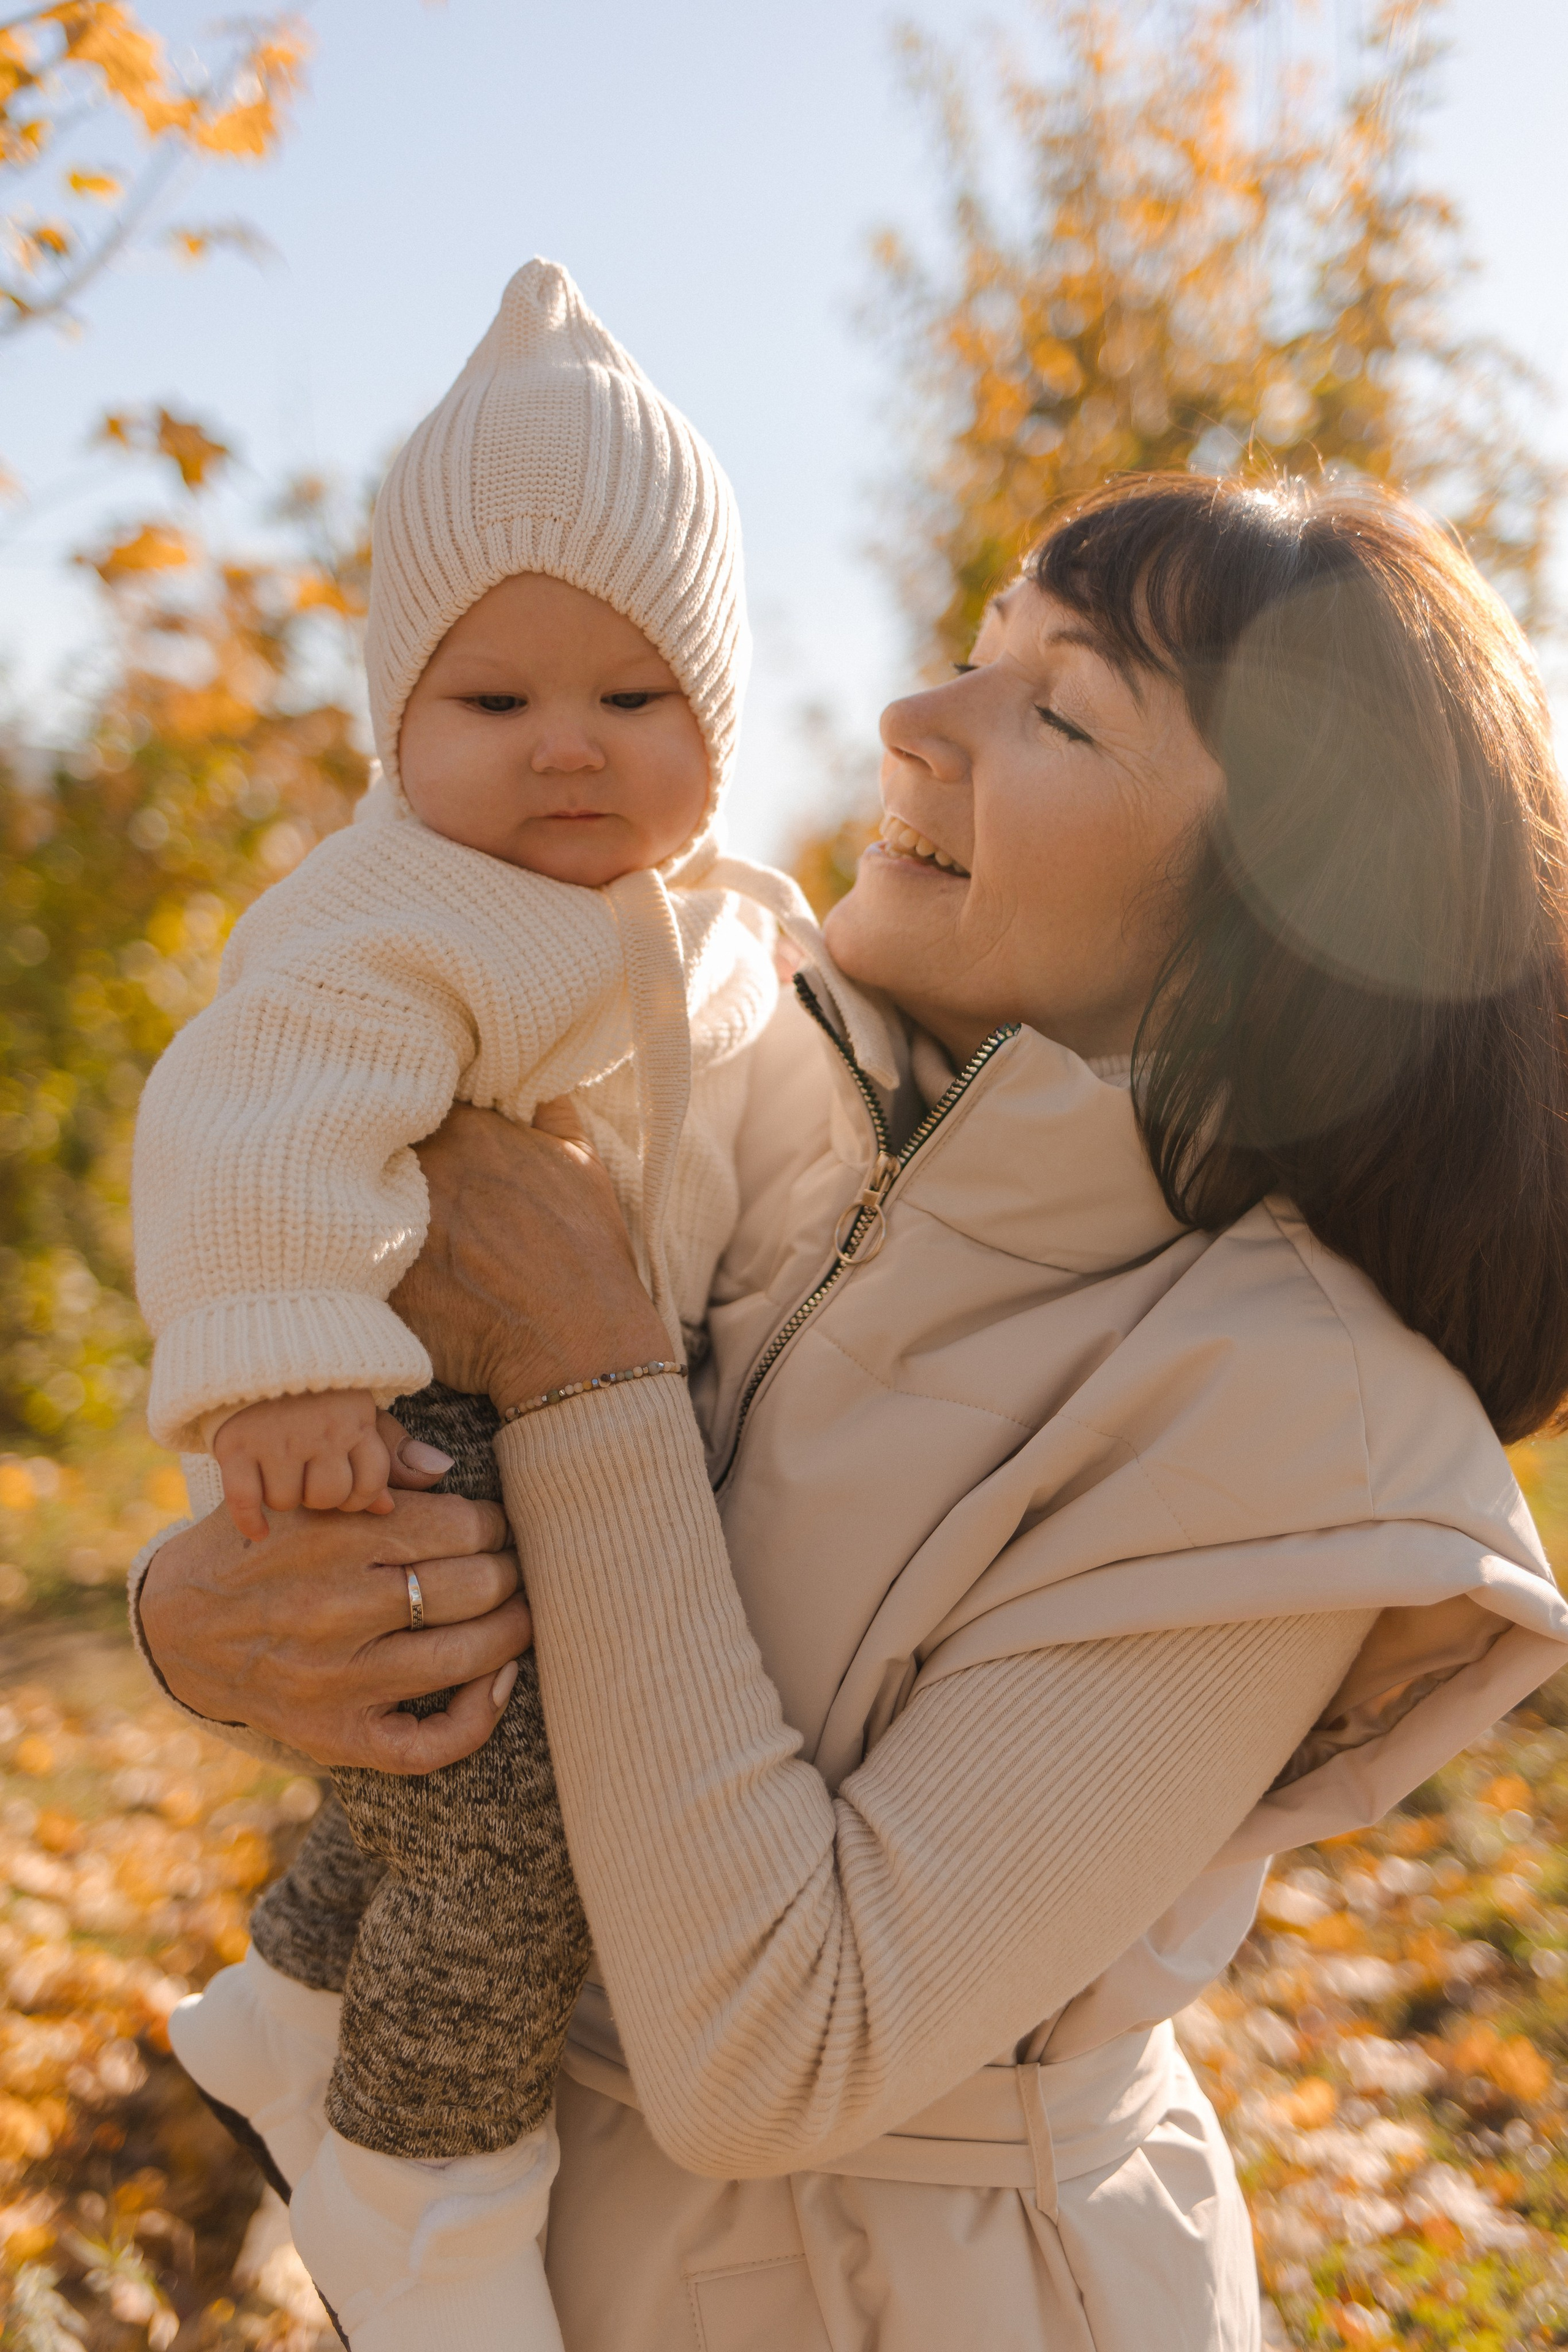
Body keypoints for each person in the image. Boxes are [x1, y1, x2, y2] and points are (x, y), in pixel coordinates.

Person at [134, 473, 1568, 2351]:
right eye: (974, 657)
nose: (912, 722)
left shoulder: (1310, 1422)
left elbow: (774, 2053)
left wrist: (588, 1364)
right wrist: (202, 1625)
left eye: (1056, 709)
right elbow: (496, 1632)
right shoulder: (761, 1114)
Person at [129, 259, 839, 2352]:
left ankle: (286, 2009)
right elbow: (245, 1118)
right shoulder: (392, 916)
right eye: (494, 702)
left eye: (635, 702)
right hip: (407, 1423)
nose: (565, 756)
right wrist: (280, 1372)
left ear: (717, 715)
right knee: (501, 1832)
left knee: (436, 1803)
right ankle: (433, 2221)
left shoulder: (734, 928)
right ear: (394, 724)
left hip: (603, 1433)